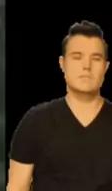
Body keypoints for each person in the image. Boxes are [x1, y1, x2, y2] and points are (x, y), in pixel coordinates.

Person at [8, 21, 112, 191]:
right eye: (77, 57)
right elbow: (17, 187)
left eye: (96, 58)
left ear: (106, 66)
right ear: (62, 63)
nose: (87, 66)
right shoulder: (35, 121)